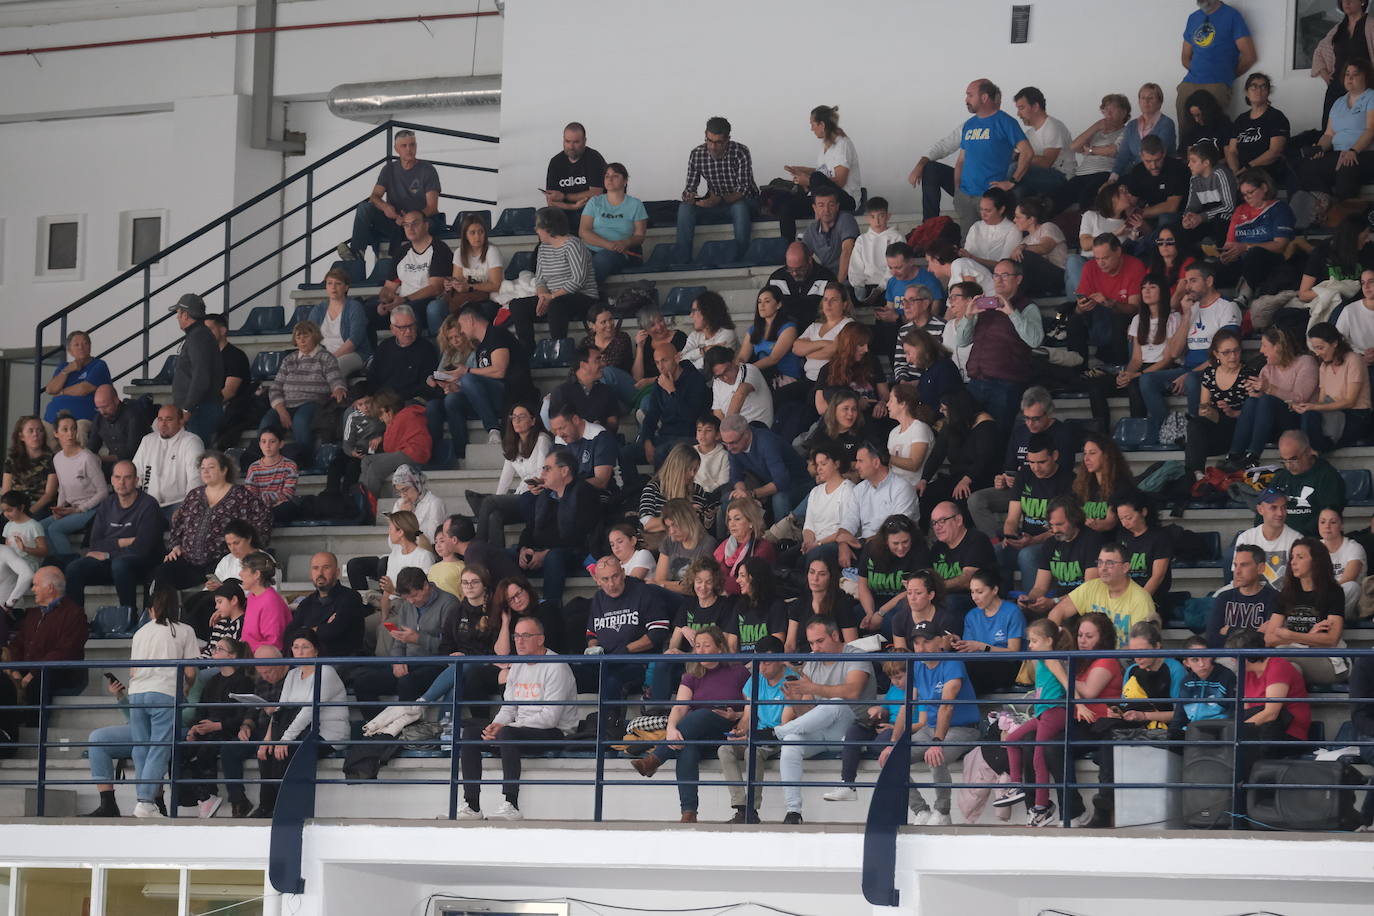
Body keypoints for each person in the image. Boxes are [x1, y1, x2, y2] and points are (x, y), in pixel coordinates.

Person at [454, 615, 577, 821]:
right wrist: (496, 724)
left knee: (509, 733)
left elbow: (550, 719)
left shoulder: (556, 666)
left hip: (554, 732)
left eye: (526, 636)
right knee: (471, 733)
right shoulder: (518, 665)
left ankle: (511, 804)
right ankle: (472, 805)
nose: (519, 641)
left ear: (540, 639)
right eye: (517, 635)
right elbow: (508, 707)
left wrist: (507, 727)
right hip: (518, 730)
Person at [632, 626, 749, 823]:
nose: (700, 650)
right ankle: (689, 813)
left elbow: (750, 706)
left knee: (703, 714)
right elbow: (679, 708)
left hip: (725, 730)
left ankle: (655, 759)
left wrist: (735, 714)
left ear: (720, 648)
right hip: (696, 733)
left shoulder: (738, 671)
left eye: (706, 645)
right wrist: (671, 729)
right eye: (697, 646)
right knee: (686, 748)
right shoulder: (692, 674)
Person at [773, 615, 874, 825]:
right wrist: (795, 703)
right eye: (811, 643)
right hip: (824, 729)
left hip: (854, 728)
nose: (815, 648)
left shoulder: (856, 655)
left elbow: (853, 692)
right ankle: (793, 811)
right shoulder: (813, 662)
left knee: (836, 701)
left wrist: (815, 688)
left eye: (820, 641)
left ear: (835, 635)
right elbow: (808, 713)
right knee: (791, 741)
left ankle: (777, 733)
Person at [115, 585, 200, 818]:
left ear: (152, 609)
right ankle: (144, 800)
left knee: (141, 748)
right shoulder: (184, 631)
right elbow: (191, 671)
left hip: (138, 691)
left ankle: (146, 802)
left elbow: (133, 671)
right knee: (159, 748)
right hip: (165, 692)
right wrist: (187, 687)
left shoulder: (140, 632)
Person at [1139, 261, 1241, 443]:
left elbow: (1225, 356)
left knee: (1194, 380)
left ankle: (1198, 434)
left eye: (1193, 281)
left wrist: (1189, 375)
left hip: (1215, 370)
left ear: (1209, 281)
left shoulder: (1227, 307)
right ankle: (1166, 430)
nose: (1188, 286)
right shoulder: (1191, 308)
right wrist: (1186, 316)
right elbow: (1175, 352)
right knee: (1146, 379)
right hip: (1188, 368)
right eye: (1186, 281)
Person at [252, 631, 348, 818]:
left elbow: (308, 711)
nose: (300, 651)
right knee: (266, 751)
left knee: (288, 751)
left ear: (316, 650)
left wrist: (285, 740)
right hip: (300, 731)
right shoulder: (293, 674)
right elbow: (281, 709)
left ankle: (284, 807)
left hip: (327, 734)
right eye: (296, 647)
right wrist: (268, 739)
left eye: (305, 647)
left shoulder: (326, 672)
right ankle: (266, 806)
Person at [967, 387, 1077, 539]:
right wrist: (1004, 478)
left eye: (1036, 418)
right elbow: (1009, 467)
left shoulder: (1062, 434)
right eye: (1026, 418)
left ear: (1049, 413)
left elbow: (1063, 473)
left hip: (1050, 493)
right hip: (1019, 488)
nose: (1030, 424)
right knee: (976, 500)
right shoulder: (1020, 431)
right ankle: (999, 541)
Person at [945, 264, 1044, 435]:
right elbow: (961, 341)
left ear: (1018, 279)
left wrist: (1012, 312)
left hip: (1005, 384)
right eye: (995, 275)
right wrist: (969, 316)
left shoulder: (1027, 307)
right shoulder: (986, 305)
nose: (998, 280)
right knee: (971, 436)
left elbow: (1035, 340)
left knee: (997, 436)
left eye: (1005, 275)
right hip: (976, 381)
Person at [154, 450, 270, 590]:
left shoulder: (240, 495)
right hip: (188, 561)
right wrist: (176, 546)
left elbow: (263, 517)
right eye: (202, 468)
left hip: (221, 562)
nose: (205, 471)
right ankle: (161, 612)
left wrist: (251, 548)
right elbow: (179, 523)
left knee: (219, 588)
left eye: (211, 467)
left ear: (224, 470)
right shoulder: (194, 495)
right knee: (162, 572)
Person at [429, 303, 530, 464]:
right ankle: (461, 455)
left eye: (461, 325)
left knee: (468, 378)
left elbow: (499, 371)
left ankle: (493, 429)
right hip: (488, 397)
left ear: (470, 320)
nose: (461, 330)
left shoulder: (496, 335)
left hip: (509, 394)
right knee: (452, 400)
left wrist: (466, 372)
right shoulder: (482, 344)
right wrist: (457, 387)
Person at [61, 460, 164, 610]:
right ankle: (77, 621)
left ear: (136, 481)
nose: (121, 482)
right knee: (74, 568)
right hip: (110, 562)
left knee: (120, 564)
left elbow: (143, 547)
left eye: (127, 477)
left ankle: (128, 617)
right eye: (117, 477)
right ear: (111, 480)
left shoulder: (149, 505)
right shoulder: (107, 504)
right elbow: (95, 544)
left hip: (141, 564)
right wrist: (125, 542)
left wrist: (109, 554)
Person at [586, 556, 671, 734]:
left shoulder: (644, 592)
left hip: (639, 662)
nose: (611, 583)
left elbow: (658, 632)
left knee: (612, 680)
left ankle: (610, 729)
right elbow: (592, 633)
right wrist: (593, 649)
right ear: (597, 580)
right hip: (606, 662)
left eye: (615, 576)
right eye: (605, 579)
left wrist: (625, 651)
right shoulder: (598, 598)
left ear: (623, 572)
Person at [355, 566, 455, 706]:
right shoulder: (407, 605)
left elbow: (450, 647)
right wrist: (398, 661)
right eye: (406, 598)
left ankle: (403, 725)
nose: (411, 601)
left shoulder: (448, 603)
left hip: (436, 664)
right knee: (362, 681)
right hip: (409, 662)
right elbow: (398, 642)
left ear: (426, 586)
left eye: (414, 596)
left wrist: (418, 639)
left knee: (407, 683)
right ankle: (379, 725)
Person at [176, 637, 253, 817]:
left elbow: (241, 715)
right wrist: (195, 729)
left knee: (206, 749)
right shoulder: (212, 681)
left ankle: (211, 795)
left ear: (233, 656)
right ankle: (204, 797)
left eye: (220, 649)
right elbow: (202, 711)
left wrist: (217, 726)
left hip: (228, 731)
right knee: (179, 750)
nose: (214, 652)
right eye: (214, 648)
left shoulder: (243, 681)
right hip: (209, 730)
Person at [515, 450, 602, 608]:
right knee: (507, 555)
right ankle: (516, 607)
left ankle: (551, 609)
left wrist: (545, 553)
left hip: (573, 553)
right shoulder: (546, 495)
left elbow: (580, 537)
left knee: (554, 556)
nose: (542, 473)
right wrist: (524, 548)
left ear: (564, 471)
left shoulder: (583, 492)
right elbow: (531, 527)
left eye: (547, 468)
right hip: (541, 551)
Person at [717, 635, 788, 823]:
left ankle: (752, 810)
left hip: (778, 738)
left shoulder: (792, 680)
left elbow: (784, 727)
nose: (761, 668)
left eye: (766, 663)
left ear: (780, 659)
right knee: (724, 749)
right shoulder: (755, 679)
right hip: (756, 736)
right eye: (759, 662)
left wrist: (749, 736)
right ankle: (741, 807)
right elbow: (747, 717)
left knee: (752, 752)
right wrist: (739, 732)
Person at [1226, 325, 1317, 469]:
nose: (1261, 351)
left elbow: (1300, 398)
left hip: (1297, 420)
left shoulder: (1305, 362)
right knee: (1251, 402)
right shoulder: (1267, 369)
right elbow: (1260, 402)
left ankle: (1254, 455)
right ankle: (1234, 455)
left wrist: (1269, 389)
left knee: (1267, 400)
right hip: (1270, 426)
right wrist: (1254, 392)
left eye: (1264, 345)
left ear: (1278, 347)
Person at [0, 566, 87, 718]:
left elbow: (65, 651)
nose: (32, 589)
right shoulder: (33, 614)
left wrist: (33, 673)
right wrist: (14, 669)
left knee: (38, 683)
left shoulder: (75, 614)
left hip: (59, 672)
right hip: (28, 669)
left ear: (50, 588)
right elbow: (18, 644)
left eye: (36, 585)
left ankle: (35, 730)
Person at [622, 345, 709, 493]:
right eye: (657, 362)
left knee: (661, 451)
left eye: (664, 360)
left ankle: (661, 495)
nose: (661, 367)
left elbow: (689, 417)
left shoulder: (695, 380)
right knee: (626, 453)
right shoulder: (660, 383)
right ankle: (636, 493)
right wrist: (647, 440)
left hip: (688, 437)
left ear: (676, 358)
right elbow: (651, 417)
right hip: (664, 436)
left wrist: (671, 391)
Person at [342, 129, 440, 260]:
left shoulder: (427, 169)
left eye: (412, 145)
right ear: (396, 149)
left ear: (416, 146)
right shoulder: (389, 169)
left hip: (420, 221)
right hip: (395, 220)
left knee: (430, 224)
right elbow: (374, 196)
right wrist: (385, 207)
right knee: (364, 208)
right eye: (404, 146)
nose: (409, 149)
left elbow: (432, 207)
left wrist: (409, 220)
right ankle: (357, 253)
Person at [1267, 538, 1349, 686]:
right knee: (1290, 669)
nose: (1293, 562)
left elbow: (1331, 639)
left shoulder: (1333, 593)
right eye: (1292, 557)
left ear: (1315, 561)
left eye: (1300, 557)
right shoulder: (1286, 594)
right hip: (1293, 657)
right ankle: (1287, 709)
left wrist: (1291, 635)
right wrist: (1308, 637)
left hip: (1328, 660)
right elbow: (1269, 638)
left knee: (1275, 660)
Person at [998, 432, 1074, 593]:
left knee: (1027, 555)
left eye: (1041, 462)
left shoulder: (1069, 480)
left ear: (1055, 455)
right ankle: (1002, 605)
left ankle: (1031, 607)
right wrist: (1010, 536)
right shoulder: (1025, 474)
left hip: (1056, 542)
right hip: (1026, 539)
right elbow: (1012, 518)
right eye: (1031, 462)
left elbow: (1063, 528)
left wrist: (1033, 540)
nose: (1035, 467)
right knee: (998, 551)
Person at [676, 115, 759, 261]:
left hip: (744, 202)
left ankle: (742, 258)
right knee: (684, 208)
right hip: (715, 203)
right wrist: (696, 200)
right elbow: (689, 189)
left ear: (727, 139)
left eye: (718, 142)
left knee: (739, 207)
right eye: (709, 141)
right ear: (705, 136)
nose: (713, 146)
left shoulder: (740, 152)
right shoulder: (697, 154)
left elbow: (744, 190)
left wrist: (718, 200)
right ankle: (683, 260)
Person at [953, 79, 1032, 230]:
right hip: (965, 196)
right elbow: (961, 160)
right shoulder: (969, 125)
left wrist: (1012, 182)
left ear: (984, 98)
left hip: (991, 199)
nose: (966, 100)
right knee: (968, 245)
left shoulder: (1005, 122)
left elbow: (1027, 152)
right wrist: (957, 191)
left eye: (970, 95)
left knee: (995, 243)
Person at [260, 320, 346, 458]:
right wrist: (281, 411)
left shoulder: (325, 357)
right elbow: (276, 388)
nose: (302, 340)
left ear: (315, 337)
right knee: (267, 422)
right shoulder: (289, 359)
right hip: (286, 404)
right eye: (298, 337)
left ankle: (304, 459)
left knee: (300, 421)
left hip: (312, 402)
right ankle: (267, 459)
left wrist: (338, 388)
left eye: (306, 336)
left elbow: (335, 379)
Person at [778, 103, 863, 240]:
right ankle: (789, 251)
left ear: (822, 125)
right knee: (786, 207)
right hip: (825, 199)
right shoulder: (825, 146)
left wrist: (809, 181)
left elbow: (840, 181)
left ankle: (817, 232)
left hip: (846, 199)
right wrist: (802, 171)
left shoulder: (842, 144)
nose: (811, 129)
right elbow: (825, 173)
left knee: (816, 178)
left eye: (812, 124)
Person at [471, 403, 551, 547]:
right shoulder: (513, 444)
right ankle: (498, 556)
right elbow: (505, 479)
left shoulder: (541, 439)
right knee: (494, 515)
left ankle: (477, 545)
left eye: (521, 417)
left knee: (489, 502)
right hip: (520, 496)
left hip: (535, 495)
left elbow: (541, 472)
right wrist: (497, 500)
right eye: (513, 417)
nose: (517, 421)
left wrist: (494, 501)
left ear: (533, 420)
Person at [1049, 542, 1157, 647]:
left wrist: (1109, 657)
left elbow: (1142, 645)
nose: (1103, 568)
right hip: (1090, 657)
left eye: (1110, 563)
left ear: (1125, 567)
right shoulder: (1091, 587)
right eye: (1100, 562)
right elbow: (1058, 611)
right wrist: (1054, 639)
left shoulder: (1141, 599)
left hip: (1124, 660)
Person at [1229, 629, 1312, 761]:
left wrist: (1236, 731)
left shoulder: (1278, 667)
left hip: (1288, 732)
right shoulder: (1246, 673)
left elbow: (1271, 713)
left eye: (1234, 656)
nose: (1232, 660)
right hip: (1259, 731)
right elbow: (1245, 710)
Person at [1072, 232, 1149, 368]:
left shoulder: (1134, 266)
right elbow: (1080, 307)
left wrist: (1112, 304)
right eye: (1097, 258)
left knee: (1118, 318)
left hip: (1123, 314)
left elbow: (1135, 308)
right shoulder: (1090, 267)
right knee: (1074, 319)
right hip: (1098, 314)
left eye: (1106, 258)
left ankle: (1120, 369)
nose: (1101, 263)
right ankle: (1078, 371)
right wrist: (1081, 307)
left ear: (1118, 252)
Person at [836, 442, 919, 567]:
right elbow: (848, 523)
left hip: (894, 547)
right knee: (825, 553)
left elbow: (898, 530)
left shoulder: (901, 488)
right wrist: (843, 545)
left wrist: (862, 542)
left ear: (876, 463)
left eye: (860, 461)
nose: (856, 466)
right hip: (863, 546)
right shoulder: (859, 489)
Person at [1185, 330, 1255, 476]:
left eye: (1236, 351)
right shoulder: (1210, 373)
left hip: (1238, 431)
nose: (1233, 356)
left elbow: (1255, 414)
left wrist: (1233, 413)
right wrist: (1208, 412)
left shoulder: (1249, 374)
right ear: (1216, 354)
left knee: (1198, 433)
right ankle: (1196, 474)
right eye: (1227, 352)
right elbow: (1203, 407)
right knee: (1195, 424)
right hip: (1217, 428)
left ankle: (1194, 475)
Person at [918, 389, 1000, 514]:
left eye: (944, 409)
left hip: (979, 477)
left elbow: (984, 460)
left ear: (956, 409)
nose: (941, 411)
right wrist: (924, 479)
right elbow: (937, 454)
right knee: (926, 493)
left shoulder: (985, 425)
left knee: (960, 498)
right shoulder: (952, 424)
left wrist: (967, 480)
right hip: (957, 476)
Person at [1303, 60, 1374, 204]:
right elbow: (1329, 134)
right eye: (1347, 74)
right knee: (1306, 166)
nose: (1350, 78)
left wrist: (1353, 151)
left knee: (1346, 167)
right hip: (1339, 153)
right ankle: (1326, 203)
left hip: (1364, 153)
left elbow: (1370, 129)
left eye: (1355, 74)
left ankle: (1346, 214)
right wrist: (1319, 148)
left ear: (1365, 76)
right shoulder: (1338, 102)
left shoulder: (1371, 97)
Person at [1020, 497, 1103, 615]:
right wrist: (1031, 600)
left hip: (1087, 606)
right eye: (1051, 525)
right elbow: (1040, 587)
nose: (1055, 530)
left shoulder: (1092, 541)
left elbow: (1089, 588)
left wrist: (1055, 601)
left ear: (1074, 519)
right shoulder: (1050, 544)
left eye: (1059, 524)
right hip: (1059, 605)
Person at [1297, 321, 1372, 450]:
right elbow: (1321, 400)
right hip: (1334, 413)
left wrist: (1315, 406)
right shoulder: (1324, 367)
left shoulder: (1353, 360)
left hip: (1356, 416)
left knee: (1312, 415)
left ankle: (1313, 453)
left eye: (1321, 348)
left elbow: (1350, 402)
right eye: (1315, 348)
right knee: (1307, 414)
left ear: (1335, 343)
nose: (1317, 353)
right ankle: (1312, 452)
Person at [720, 414, 808, 524]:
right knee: (728, 499)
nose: (729, 447)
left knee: (779, 499)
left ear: (746, 434)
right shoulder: (733, 447)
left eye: (733, 442)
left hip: (799, 484)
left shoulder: (766, 442)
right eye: (725, 443)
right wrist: (742, 493)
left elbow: (782, 481)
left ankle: (781, 536)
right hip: (769, 484)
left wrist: (752, 494)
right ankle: (733, 538)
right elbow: (736, 476)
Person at [40, 413, 106, 555]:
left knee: (55, 529)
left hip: (91, 509)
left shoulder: (86, 457)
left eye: (73, 429)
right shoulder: (57, 458)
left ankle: (67, 563)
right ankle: (54, 564)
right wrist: (59, 508)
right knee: (39, 528)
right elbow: (63, 487)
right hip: (71, 508)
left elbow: (103, 492)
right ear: (56, 433)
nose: (70, 433)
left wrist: (80, 509)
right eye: (65, 429)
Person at [375, 211, 453, 329]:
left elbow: (435, 288)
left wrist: (404, 300)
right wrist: (385, 301)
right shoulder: (402, 252)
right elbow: (389, 287)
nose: (410, 228)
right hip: (402, 301)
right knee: (369, 310)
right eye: (406, 225)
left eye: (415, 224)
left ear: (426, 225)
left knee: (409, 310)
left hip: (426, 299)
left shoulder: (439, 249)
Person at [952, 570, 1027, 693]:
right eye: (972, 592)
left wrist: (982, 647)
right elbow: (969, 650)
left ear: (995, 590)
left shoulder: (1012, 612)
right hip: (978, 665)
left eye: (980, 592)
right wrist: (960, 643)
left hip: (1007, 666)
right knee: (955, 666)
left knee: (968, 672)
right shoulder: (972, 615)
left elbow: (1014, 653)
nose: (974, 597)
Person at [166, 294, 225, 446]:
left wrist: (187, 409)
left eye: (178, 314)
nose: (177, 318)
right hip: (201, 408)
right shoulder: (200, 335)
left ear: (185, 315)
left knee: (197, 458)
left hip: (200, 410)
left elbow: (201, 377)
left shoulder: (198, 337)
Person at [360, 391, 432, 513]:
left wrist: (389, 426)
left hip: (413, 453)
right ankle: (362, 497)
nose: (381, 419)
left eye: (381, 415)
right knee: (367, 460)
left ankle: (368, 507)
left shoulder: (401, 418)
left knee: (375, 468)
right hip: (411, 452)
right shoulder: (406, 415)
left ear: (387, 410)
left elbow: (389, 447)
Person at [853, 515, 930, 629]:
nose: (900, 547)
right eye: (895, 543)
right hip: (874, 601)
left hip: (903, 602)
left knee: (891, 621)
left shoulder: (919, 551)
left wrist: (881, 613)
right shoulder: (871, 548)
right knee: (855, 615)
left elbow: (914, 589)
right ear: (885, 541)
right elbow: (863, 583)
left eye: (905, 542)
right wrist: (869, 613)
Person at [1267, 430, 1346, 538]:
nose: (1289, 466)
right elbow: (1264, 509)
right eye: (1284, 460)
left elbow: (1330, 514)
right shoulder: (1280, 477)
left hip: (1314, 542)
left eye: (1293, 459)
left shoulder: (1328, 476)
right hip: (1281, 540)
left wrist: (1296, 536)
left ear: (1308, 452)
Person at [433, 214, 505, 332]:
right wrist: (450, 284)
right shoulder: (459, 252)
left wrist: (470, 286)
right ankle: (445, 345)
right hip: (466, 298)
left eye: (481, 232)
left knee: (470, 312)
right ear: (465, 235)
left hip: (488, 300)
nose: (477, 236)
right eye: (472, 232)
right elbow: (457, 280)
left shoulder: (492, 251)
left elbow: (496, 285)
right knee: (436, 308)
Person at [580, 162, 647, 286]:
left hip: (620, 253)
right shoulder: (595, 201)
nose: (610, 179)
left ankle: (587, 295)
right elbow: (584, 231)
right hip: (591, 249)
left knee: (602, 259)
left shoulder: (635, 204)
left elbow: (639, 236)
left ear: (625, 181)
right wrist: (607, 244)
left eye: (615, 176)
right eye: (607, 176)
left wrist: (625, 243)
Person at [289, 551, 367, 660]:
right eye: (315, 568)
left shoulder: (351, 598)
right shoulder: (306, 603)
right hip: (308, 662)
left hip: (343, 663)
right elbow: (289, 635)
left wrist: (306, 630)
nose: (320, 573)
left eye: (326, 568)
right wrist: (320, 628)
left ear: (337, 572)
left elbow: (332, 632)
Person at [131, 404, 203, 514]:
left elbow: (196, 480)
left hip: (179, 505)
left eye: (169, 419)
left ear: (180, 421)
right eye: (160, 419)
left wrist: (186, 507)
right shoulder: (148, 441)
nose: (163, 424)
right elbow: (134, 473)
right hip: (149, 504)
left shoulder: (191, 441)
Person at [1313, 0, 1374, 129]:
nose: (1346, 2)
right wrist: (1324, 74)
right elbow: (1319, 52)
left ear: (1363, 2)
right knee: (1329, 130)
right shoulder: (1338, 29)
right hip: (1337, 88)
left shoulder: (1371, 25)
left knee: (1362, 130)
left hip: (1365, 87)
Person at [930, 502, 998, 617]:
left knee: (949, 602)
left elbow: (968, 580)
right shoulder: (937, 547)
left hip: (975, 600)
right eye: (934, 523)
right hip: (946, 598)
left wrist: (936, 586)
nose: (937, 527)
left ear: (958, 520)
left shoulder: (977, 540)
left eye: (942, 521)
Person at [42, 330, 108, 446]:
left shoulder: (99, 365)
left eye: (85, 343)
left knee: (80, 428)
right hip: (54, 418)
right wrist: (66, 371)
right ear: (69, 350)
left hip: (83, 418)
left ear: (90, 346)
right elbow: (50, 390)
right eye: (76, 345)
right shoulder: (64, 367)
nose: (81, 347)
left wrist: (62, 392)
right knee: (38, 428)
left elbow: (84, 389)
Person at [1208, 544, 1281, 648]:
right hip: (1225, 659)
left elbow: (1267, 643)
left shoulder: (1274, 598)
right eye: (1235, 565)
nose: (1237, 571)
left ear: (1260, 568)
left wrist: (1229, 631)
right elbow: (1212, 641)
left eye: (1244, 565)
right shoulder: (1223, 597)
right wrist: (1256, 632)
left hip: (1259, 660)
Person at [1066, 93, 1130, 210]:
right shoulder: (1097, 131)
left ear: (1124, 112)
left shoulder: (1127, 131)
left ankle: (1087, 223)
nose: (1108, 114)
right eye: (1105, 111)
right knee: (1059, 194)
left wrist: (1090, 150)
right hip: (1082, 173)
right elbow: (1074, 147)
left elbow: (1112, 150)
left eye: (1112, 110)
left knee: (1086, 194)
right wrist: (1095, 127)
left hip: (1106, 172)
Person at [366, 304, 439, 404]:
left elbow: (425, 385)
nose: (409, 331)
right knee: (352, 410)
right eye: (403, 328)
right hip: (382, 400)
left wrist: (394, 398)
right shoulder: (384, 347)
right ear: (393, 329)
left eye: (412, 326)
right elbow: (372, 377)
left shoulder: (426, 349)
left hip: (411, 400)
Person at [638, 444, 715, 538]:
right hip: (659, 543)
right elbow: (647, 525)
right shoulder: (653, 489)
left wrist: (709, 518)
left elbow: (702, 529)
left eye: (695, 470)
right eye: (688, 469)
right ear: (676, 467)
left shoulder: (698, 490)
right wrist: (682, 514)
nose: (692, 474)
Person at [784, 557, 860, 652]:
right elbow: (790, 644)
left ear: (831, 577)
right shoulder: (799, 604)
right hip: (805, 661)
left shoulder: (842, 604)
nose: (815, 578)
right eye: (812, 572)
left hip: (835, 660)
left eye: (822, 574)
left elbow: (851, 644)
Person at [307, 267, 371, 375]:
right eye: (329, 283)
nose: (333, 287)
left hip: (354, 353)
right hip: (324, 354)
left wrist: (330, 358)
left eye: (338, 283)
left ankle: (336, 392)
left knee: (335, 366)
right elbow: (309, 337)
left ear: (346, 287)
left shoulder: (354, 307)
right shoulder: (318, 309)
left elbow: (354, 341)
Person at [1013, 86, 1075, 198]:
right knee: (1015, 183)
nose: (1018, 114)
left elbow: (1046, 162)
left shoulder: (1053, 127)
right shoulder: (1029, 134)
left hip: (1061, 176)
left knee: (1014, 169)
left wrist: (1020, 158)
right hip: (1039, 177)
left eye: (1021, 108)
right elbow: (1013, 155)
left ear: (1036, 106)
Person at [1226, 72, 1290, 180]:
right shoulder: (1241, 119)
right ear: (1247, 92)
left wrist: (1246, 169)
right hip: (1240, 173)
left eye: (1263, 86)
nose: (1258, 90)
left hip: (1265, 173)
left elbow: (1274, 152)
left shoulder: (1276, 117)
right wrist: (1235, 172)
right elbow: (1232, 151)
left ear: (1268, 92)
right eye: (1254, 86)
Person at [1236, 488, 1304, 588]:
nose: (1280, 513)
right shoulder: (1246, 539)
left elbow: (1301, 581)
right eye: (1273, 507)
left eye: (1283, 507)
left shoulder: (1297, 539)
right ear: (1260, 509)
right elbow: (1238, 579)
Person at [1115, 493, 1174, 605]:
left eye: (1128, 518)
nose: (1124, 523)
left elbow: (1157, 576)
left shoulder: (1160, 537)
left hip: (1152, 597)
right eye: (1121, 519)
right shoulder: (1122, 536)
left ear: (1143, 512)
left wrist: (1138, 601)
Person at [649, 499, 717, 596]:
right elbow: (659, 579)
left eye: (675, 525)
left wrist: (663, 585)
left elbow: (698, 587)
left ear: (688, 521)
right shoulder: (668, 541)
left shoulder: (707, 544)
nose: (671, 531)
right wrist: (663, 584)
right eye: (668, 527)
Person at [714, 498, 779, 595]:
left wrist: (715, 581)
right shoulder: (725, 545)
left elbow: (748, 584)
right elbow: (711, 571)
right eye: (729, 519)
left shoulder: (763, 547)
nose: (731, 523)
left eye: (737, 519)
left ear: (751, 522)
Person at [543, 121, 607, 219]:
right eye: (567, 141)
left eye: (576, 142)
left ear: (584, 141)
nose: (571, 147)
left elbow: (596, 194)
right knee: (544, 216)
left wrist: (565, 197)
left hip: (592, 211)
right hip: (565, 212)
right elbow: (552, 201)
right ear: (563, 140)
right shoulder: (555, 162)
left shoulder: (594, 158)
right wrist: (573, 207)